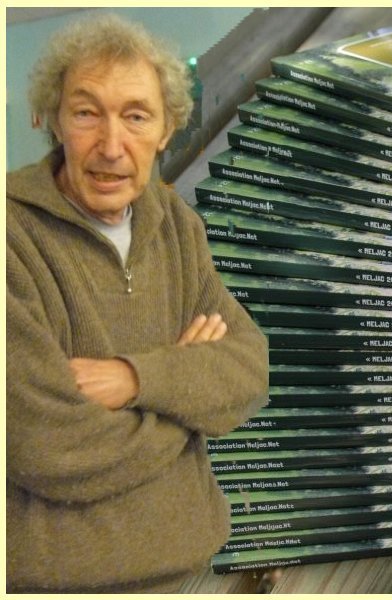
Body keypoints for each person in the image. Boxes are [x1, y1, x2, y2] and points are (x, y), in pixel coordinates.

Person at [6, 13, 269, 593]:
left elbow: (249, 368)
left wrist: (137, 379)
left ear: (166, 129)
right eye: (86, 113)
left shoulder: (174, 220)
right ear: (53, 119)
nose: (111, 146)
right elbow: (48, 447)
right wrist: (187, 401)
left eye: (136, 116)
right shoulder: (11, 237)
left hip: (197, 565)